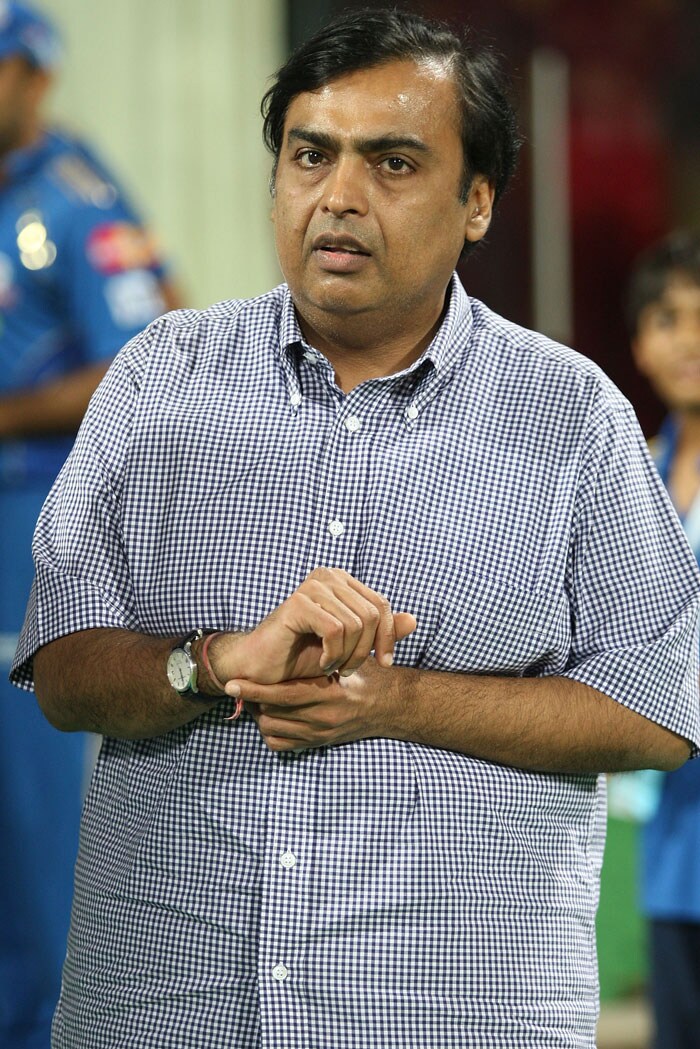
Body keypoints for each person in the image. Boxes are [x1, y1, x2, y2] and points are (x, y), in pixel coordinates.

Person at [9, 9, 700, 1048]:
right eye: (309, 156)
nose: (337, 197)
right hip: (167, 1008)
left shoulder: (570, 416)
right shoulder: (160, 380)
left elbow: (657, 706)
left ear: (476, 202)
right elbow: (60, 668)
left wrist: (400, 701)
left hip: (452, 1015)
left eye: (392, 162)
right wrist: (213, 662)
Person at [0, 4, 180, 1047]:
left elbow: (147, 352)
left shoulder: (72, 200)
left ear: (32, 75)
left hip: (28, 525)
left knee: (35, 827)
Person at [627, 230, 700, 1049]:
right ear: (641, 342)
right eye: (669, 318)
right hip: (676, 844)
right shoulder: (636, 475)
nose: (691, 339)